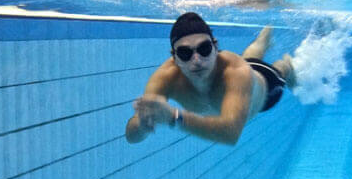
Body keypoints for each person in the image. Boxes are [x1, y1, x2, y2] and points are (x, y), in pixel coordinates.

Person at [126, 12, 296, 145]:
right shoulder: (166, 78)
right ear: (174, 57)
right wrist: (142, 124)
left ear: (216, 47)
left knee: (278, 69)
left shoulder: (236, 71)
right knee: (249, 60)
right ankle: (262, 40)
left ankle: (286, 62)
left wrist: (173, 117)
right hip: (245, 72)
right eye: (185, 53)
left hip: (267, 87)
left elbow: (230, 134)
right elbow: (132, 137)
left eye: (204, 49)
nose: (197, 60)